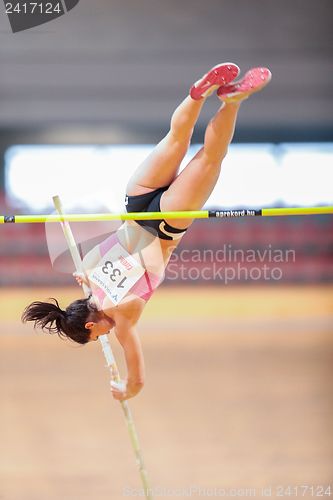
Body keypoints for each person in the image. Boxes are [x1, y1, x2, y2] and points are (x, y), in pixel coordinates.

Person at [22, 63, 271, 401]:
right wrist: (87, 277)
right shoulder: (90, 273)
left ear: (91, 325)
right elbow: (104, 264)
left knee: (212, 158)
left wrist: (126, 390)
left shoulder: (122, 319)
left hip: (166, 225)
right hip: (135, 204)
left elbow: (138, 377)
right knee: (175, 139)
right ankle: (198, 93)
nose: (106, 336)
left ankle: (233, 102)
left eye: (98, 337)